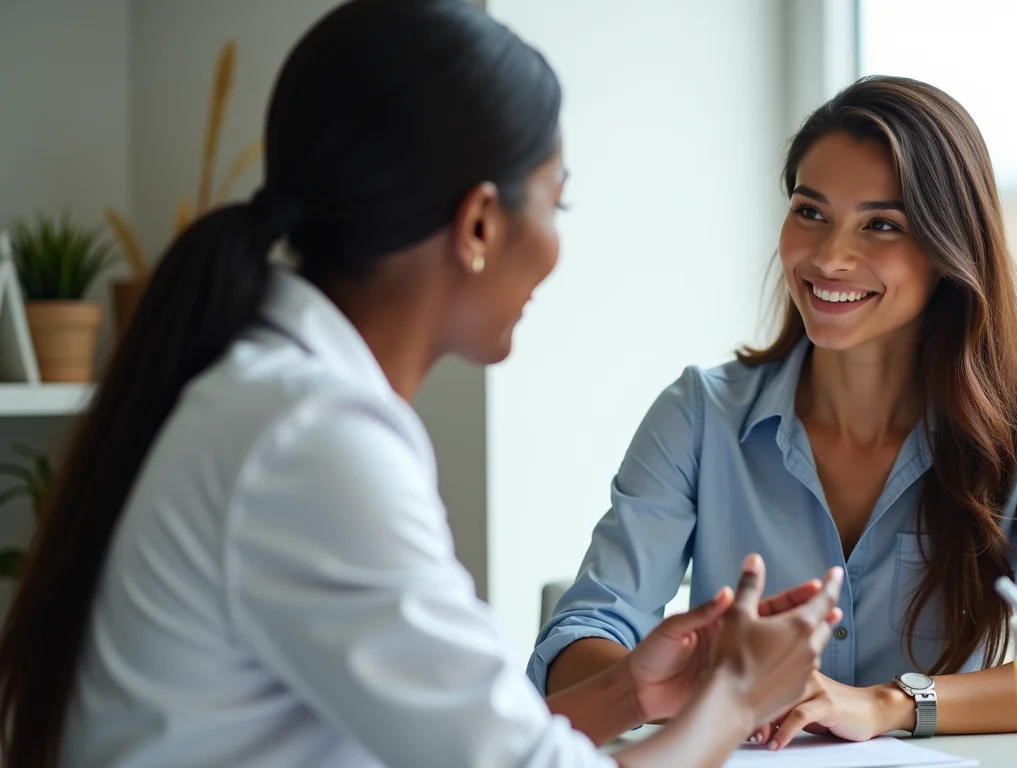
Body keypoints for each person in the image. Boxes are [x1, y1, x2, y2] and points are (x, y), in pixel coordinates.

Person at [0, 2, 848, 766]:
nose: (556, 249)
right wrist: (739, 697)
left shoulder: (270, 394)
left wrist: (629, 693)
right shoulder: (313, 440)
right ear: (479, 222)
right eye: (559, 204)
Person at [532, 75, 1017, 750]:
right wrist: (697, 681)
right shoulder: (699, 415)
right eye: (810, 212)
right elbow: (575, 645)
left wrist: (891, 703)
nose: (830, 257)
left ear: (950, 251)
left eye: (881, 225)